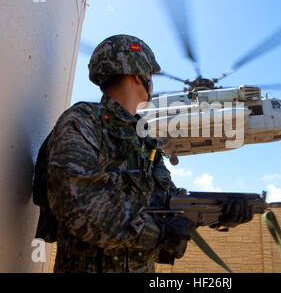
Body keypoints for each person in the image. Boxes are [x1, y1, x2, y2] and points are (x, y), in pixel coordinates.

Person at [33, 34, 196, 273]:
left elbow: (168, 203)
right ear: (137, 72)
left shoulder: (145, 140)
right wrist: (157, 234)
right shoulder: (83, 121)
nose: (152, 81)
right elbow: (78, 200)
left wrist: (218, 212)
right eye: (150, 73)